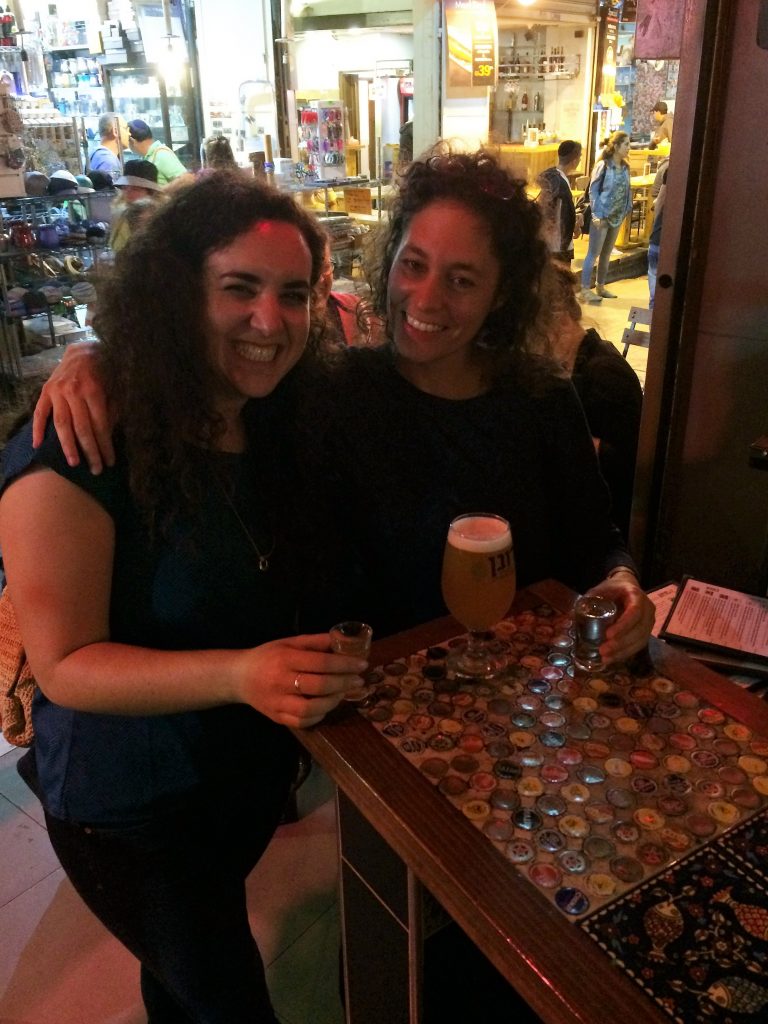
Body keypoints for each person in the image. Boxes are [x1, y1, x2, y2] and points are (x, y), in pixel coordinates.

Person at [36, 146, 654, 666]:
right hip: (365, 714)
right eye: (414, 265)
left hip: (520, 696)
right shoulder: (327, 390)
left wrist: (623, 581)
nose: (426, 299)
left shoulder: (542, 398)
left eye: (462, 280)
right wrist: (101, 356)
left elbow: (597, 539)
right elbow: (213, 374)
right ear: (390, 261)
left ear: (501, 295)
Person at [0, 172, 368, 1023]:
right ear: (176, 293)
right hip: (129, 814)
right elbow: (64, 664)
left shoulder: (273, 415)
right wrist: (242, 673)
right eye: (239, 288)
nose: (270, 321)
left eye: (293, 294)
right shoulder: (80, 442)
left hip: (233, 789)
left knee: (176, 984)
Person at [535, 260, 643, 538]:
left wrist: (576, 445)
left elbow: (631, 468)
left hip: (607, 527)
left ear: (560, 319)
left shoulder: (606, 374)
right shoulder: (569, 365)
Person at [579, 131, 633, 304]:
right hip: (602, 215)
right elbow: (593, 190)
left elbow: (628, 189)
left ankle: (600, 285)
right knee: (593, 253)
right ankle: (584, 289)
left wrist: (627, 207)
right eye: (626, 144)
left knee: (607, 253)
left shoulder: (625, 167)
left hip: (617, 215)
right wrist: (597, 213)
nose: (629, 148)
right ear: (616, 146)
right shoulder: (603, 165)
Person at [536, 139, 583, 266]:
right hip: (560, 244)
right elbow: (564, 217)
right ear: (575, 160)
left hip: (549, 241)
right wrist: (574, 227)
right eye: (580, 156)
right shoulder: (561, 184)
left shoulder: (552, 177)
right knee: (561, 276)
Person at [127, 118, 190, 185]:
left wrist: (163, 191)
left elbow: (186, 180)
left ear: (132, 141)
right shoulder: (147, 156)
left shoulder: (162, 155)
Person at [648, 163, 667, 309]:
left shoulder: (670, 169)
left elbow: (660, 200)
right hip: (666, 241)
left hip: (658, 237)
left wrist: (656, 226)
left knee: (655, 297)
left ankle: (653, 318)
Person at [89, 113, 130, 182]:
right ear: (115, 131)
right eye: (126, 129)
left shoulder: (97, 154)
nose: (129, 134)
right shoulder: (108, 161)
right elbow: (110, 188)